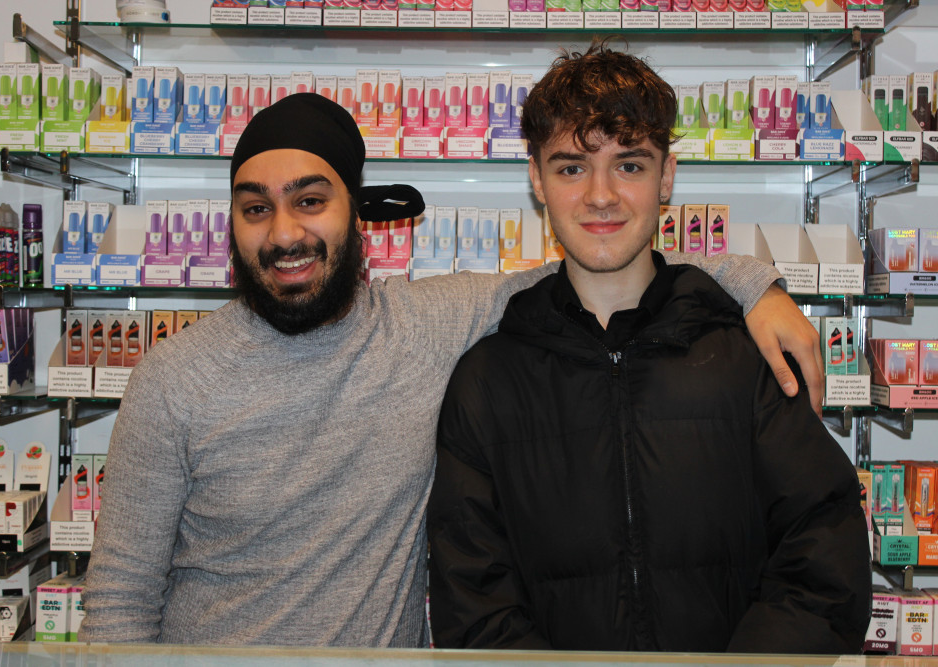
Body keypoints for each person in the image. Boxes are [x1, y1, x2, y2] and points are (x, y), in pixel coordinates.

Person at [79, 92, 823, 647]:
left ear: (355, 212)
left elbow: (600, 259)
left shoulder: (428, 329)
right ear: (231, 223)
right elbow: (118, 604)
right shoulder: (173, 380)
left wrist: (752, 284)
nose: (285, 234)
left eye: (311, 201)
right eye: (255, 209)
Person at [426, 44, 871, 654]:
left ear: (667, 177)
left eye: (629, 166)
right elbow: (472, 602)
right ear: (536, 178)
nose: (602, 196)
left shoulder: (744, 357)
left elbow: (824, 551)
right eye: (571, 167)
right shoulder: (487, 380)